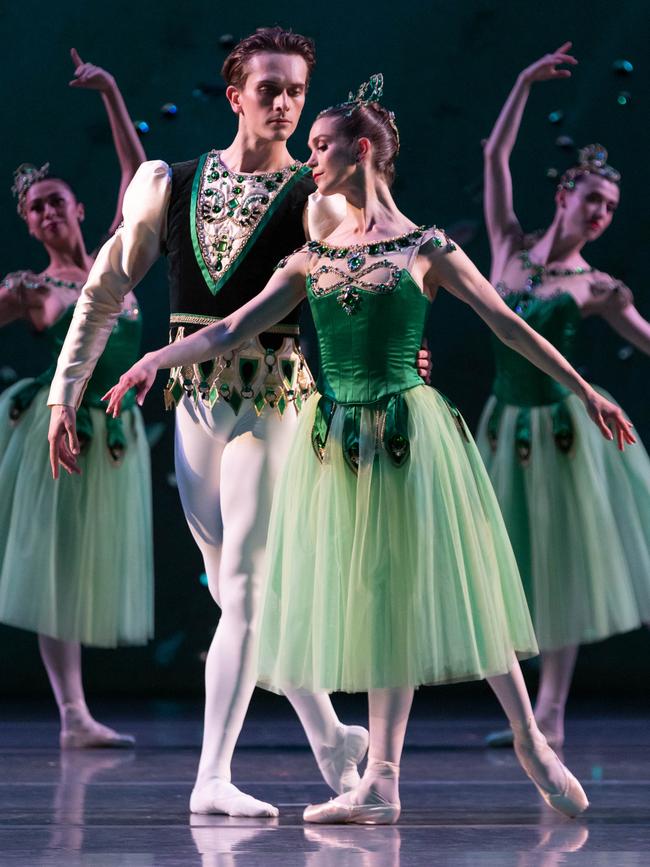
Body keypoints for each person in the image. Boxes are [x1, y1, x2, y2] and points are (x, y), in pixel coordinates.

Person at [103, 74, 634, 823]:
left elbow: (508, 327)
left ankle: (530, 739)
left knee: (458, 586)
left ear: (359, 152)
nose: (307, 159)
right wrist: (152, 361)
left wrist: (586, 386)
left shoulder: (427, 246)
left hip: (410, 434)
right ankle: (380, 779)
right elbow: (232, 326)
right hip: (337, 441)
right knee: (381, 602)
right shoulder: (314, 253)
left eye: (320, 147)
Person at [47, 28, 435, 817]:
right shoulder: (171, 183)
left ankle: (210, 777)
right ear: (236, 96)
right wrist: (65, 392)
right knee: (234, 594)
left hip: (278, 405)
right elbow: (103, 288)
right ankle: (329, 734)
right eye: (270, 89)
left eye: (295, 90)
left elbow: (383, 260)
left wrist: (404, 352)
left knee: (250, 587)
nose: (286, 103)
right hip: (192, 407)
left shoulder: (317, 196)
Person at [479, 43, 650, 749]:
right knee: (503, 567)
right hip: (502, 424)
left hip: (564, 430)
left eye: (611, 208)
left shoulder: (596, 286)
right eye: (593, 201)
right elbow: (494, 159)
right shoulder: (505, 247)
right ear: (565, 197)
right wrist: (521, 79)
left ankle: (549, 710)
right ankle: (528, 710)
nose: (602, 214)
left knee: (563, 565)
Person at [0, 49, 150, 748]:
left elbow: (138, 176)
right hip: (59, 433)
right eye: (36, 208)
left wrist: (111, 90)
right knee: (57, 565)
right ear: (30, 225)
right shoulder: (36, 288)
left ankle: (78, 713)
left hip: (115, 433)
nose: (48, 210)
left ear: (80, 207)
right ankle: (72, 714)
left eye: (56, 199)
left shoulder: (117, 259)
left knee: (89, 559)